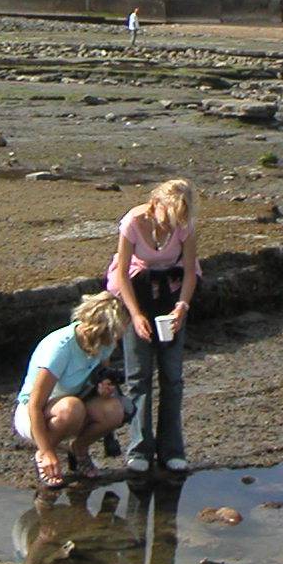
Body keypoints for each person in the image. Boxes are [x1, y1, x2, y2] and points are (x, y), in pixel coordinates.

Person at [107, 179, 200, 474]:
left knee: (172, 376)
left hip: (170, 295)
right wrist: (135, 315)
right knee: (138, 375)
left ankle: (172, 449)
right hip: (137, 291)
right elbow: (121, 274)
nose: (173, 225)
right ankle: (140, 449)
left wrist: (181, 308)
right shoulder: (133, 222)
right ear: (155, 203)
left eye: (179, 220)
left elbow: (189, 272)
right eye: (169, 217)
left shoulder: (184, 225)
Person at [13, 292, 130, 488]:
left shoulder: (105, 344)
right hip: (34, 413)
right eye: (118, 333)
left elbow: (100, 375)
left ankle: (79, 448)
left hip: (77, 404)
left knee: (115, 409)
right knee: (71, 408)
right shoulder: (59, 349)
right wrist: (47, 451)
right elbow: (34, 405)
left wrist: (102, 390)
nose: (119, 339)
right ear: (103, 329)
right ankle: (44, 455)